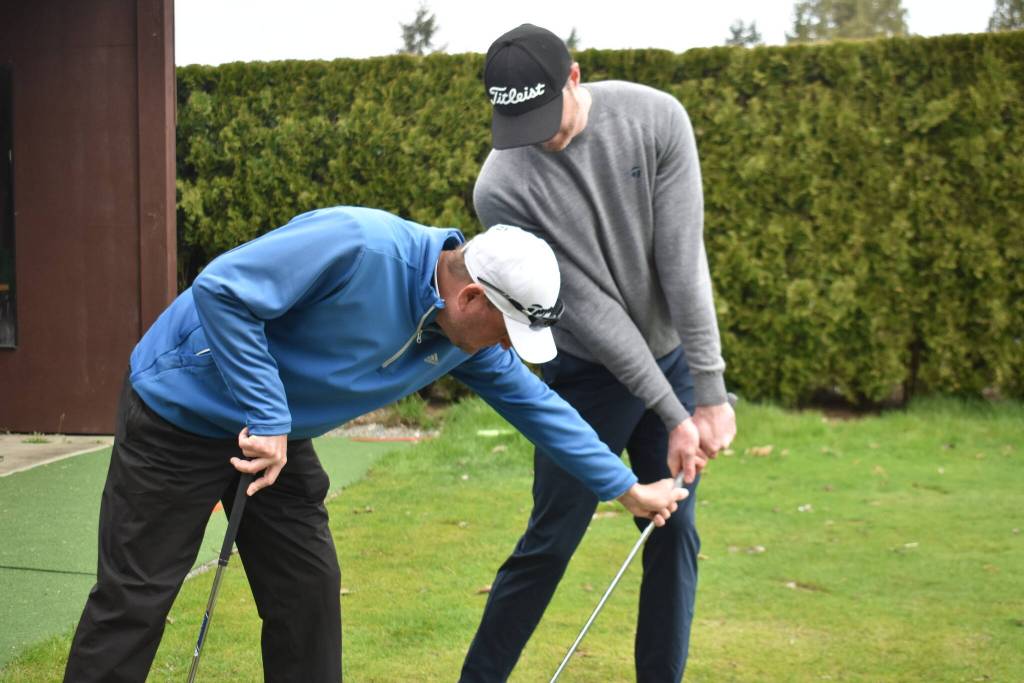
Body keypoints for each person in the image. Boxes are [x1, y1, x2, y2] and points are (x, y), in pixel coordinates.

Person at [61, 206, 688, 682]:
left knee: (308, 595)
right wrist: (270, 414)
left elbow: (539, 406)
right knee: (136, 598)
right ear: (471, 296)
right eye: (506, 332)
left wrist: (626, 488)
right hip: (180, 408)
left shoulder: (457, 337)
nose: (504, 349)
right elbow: (222, 289)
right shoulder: (359, 247)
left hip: (279, 435)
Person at [460, 24, 738, 682]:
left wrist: (709, 395)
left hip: (665, 357)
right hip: (584, 372)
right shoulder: (500, 188)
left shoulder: (656, 118)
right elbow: (586, 307)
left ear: (574, 78)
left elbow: (681, 266)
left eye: (544, 115)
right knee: (550, 541)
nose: (537, 136)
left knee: (674, 535)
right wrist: (678, 414)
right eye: (517, 121)